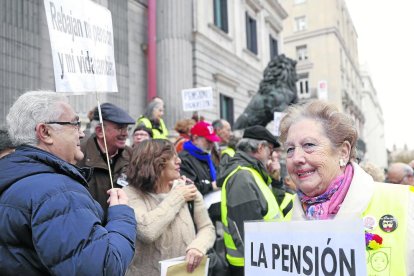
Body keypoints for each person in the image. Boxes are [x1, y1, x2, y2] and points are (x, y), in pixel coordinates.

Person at [0, 91, 136, 275]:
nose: (81, 133)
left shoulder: (12, 174)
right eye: (74, 124)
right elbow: (103, 268)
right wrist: (121, 217)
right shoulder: (58, 193)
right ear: (45, 132)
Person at [278, 100, 413, 275]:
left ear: (343, 152)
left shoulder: (403, 204)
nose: (296, 158)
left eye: (309, 145)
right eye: (289, 149)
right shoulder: (285, 222)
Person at [123, 139, 215, 276]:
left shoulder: (187, 189)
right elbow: (147, 231)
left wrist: (198, 247)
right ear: (155, 163)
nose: (179, 161)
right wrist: (177, 196)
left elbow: (207, 227)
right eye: (173, 158)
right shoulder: (129, 194)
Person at [218, 125, 286, 275]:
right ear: (261, 147)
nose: (271, 154)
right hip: (251, 265)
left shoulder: (250, 173)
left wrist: (275, 181)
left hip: (258, 262)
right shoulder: (242, 176)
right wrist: (263, 267)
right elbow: (247, 232)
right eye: (270, 149)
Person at [77, 103, 135, 214]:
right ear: (99, 131)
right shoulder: (79, 155)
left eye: (126, 128)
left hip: (121, 223)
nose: (125, 134)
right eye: (119, 128)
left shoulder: (130, 154)